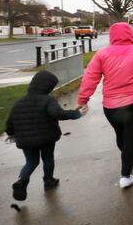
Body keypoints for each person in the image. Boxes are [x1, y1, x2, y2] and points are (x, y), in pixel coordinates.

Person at [77, 22, 133, 189]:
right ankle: (126, 175)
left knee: (121, 135)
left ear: (112, 35)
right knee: (131, 138)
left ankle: (126, 159)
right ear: (130, 34)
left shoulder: (101, 54)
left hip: (111, 106)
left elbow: (90, 78)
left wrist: (83, 99)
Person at [5, 71, 85, 201]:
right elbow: (58, 114)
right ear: (47, 87)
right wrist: (77, 114)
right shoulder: (47, 100)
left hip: (26, 140)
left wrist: (12, 134)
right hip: (46, 137)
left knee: (31, 162)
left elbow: (9, 124)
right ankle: (49, 181)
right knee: (48, 158)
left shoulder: (19, 102)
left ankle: (21, 181)